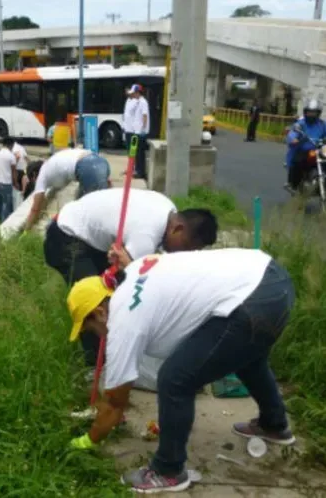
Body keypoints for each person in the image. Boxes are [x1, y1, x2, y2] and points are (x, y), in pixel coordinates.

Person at [66, 249, 297, 494]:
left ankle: (168, 470)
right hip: (272, 279)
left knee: (175, 379)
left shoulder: (124, 320)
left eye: (90, 328)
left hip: (251, 301)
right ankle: (274, 424)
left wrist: (87, 441)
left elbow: (114, 402)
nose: (96, 335)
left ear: (100, 312)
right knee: (247, 355)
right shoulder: (133, 271)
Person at [45, 188, 218, 367]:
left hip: (91, 238)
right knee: (96, 304)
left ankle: (112, 360)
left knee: (110, 300)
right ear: (178, 229)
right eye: (187, 246)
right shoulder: (146, 235)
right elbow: (136, 285)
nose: (185, 253)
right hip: (67, 236)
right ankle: (96, 367)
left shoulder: (169, 212)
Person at [23, 148, 112, 232]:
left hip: (88, 167)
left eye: (33, 181)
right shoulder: (51, 163)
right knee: (95, 207)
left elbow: (35, 208)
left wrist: (26, 230)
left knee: (83, 214)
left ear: (34, 175)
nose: (35, 184)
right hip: (101, 161)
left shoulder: (41, 175)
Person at [284, 99, 326, 193]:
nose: (311, 114)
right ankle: (294, 185)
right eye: (309, 112)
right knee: (298, 161)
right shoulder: (301, 124)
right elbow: (292, 133)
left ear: (318, 113)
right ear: (305, 112)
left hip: (319, 150)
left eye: (314, 112)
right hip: (304, 150)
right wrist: (293, 139)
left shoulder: (322, 124)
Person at [0, 137, 18, 223]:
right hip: (6, 183)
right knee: (6, 204)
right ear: (11, 145)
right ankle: (4, 223)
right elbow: (13, 171)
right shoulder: (11, 156)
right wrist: (15, 183)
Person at [128, 84, 150, 180]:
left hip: (140, 132)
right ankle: (137, 170)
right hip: (136, 131)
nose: (133, 95)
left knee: (140, 153)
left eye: (134, 93)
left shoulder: (143, 102)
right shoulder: (138, 102)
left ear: (138, 92)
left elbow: (144, 116)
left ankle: (140, 172)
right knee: (136, 152)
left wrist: (143, 129)